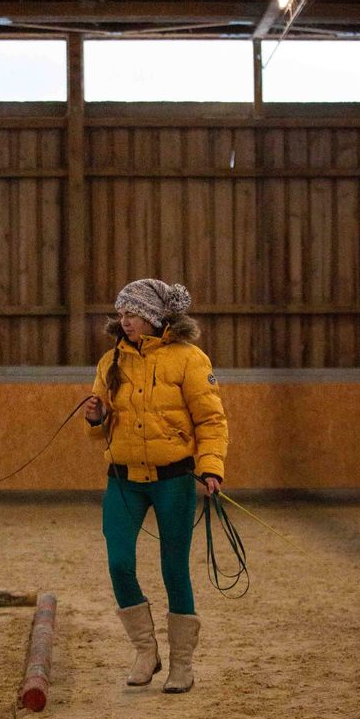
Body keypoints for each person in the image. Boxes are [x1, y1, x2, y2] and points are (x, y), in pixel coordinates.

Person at [85, 278, 228, 693]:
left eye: (131, 313)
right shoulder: (110, 362)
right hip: (123, 480)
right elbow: (100, 430)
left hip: (175, 480)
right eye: (122, 313)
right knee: (118, 564)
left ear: (152, 316)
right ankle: (145, 650)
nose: (123, 321)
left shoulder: (190, 360)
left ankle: (181, 664)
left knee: (174, 570)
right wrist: (95, 417)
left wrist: (211, 467)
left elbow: (211, 421)